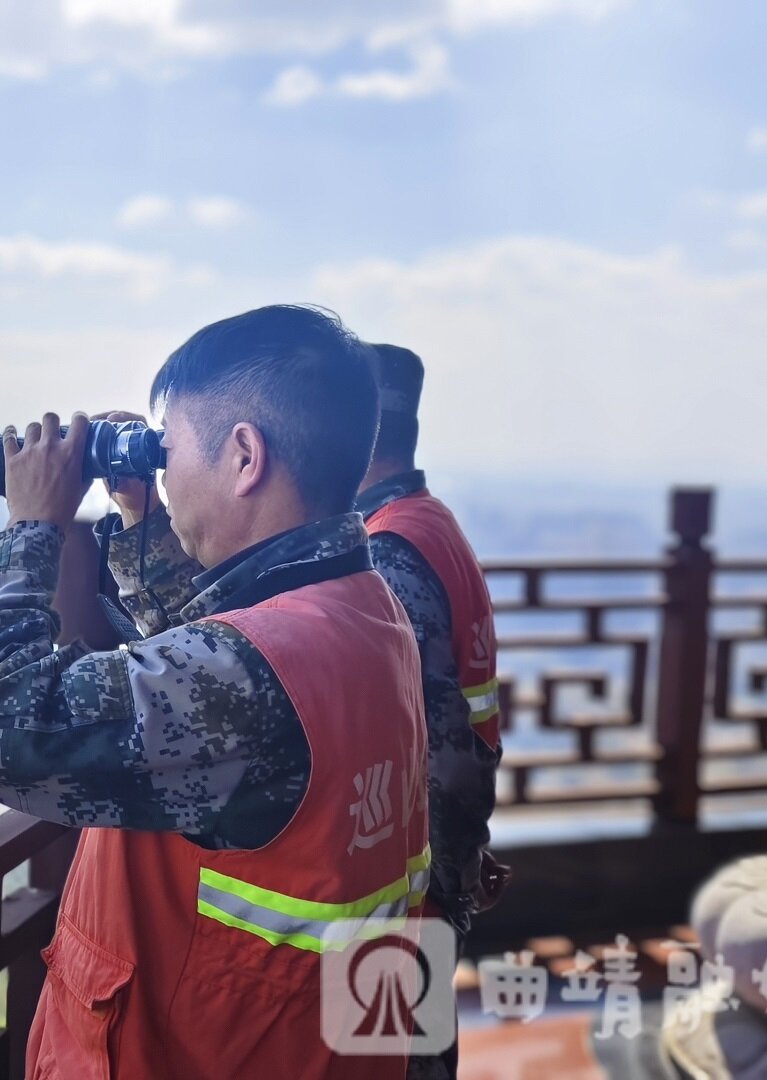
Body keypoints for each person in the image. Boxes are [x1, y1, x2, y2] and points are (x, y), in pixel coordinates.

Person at [0, 305, 430, 1079]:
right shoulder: (364, 609)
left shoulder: (253, 672)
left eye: (172, 447)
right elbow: (207, 667)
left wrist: (31, 529)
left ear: (245, 456)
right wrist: (141, 517)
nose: (165, 468)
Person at [355, 344, 509, 1079]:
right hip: (437, 860)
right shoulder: (427, 521)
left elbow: (428, 738)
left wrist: (449, 870)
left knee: (389, 1057)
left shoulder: (385, 548)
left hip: (409, 880)